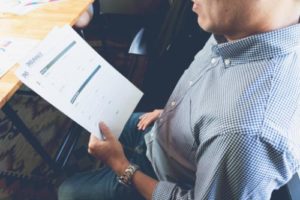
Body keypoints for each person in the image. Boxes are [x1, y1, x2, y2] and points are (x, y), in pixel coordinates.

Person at [58, 0, 300, 199]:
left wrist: (123, 167)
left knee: (66, 192)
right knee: (97, 118)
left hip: (166, 176)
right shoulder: (240, 28)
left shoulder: (245, 132)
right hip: (164, 131)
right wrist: (172, 112)